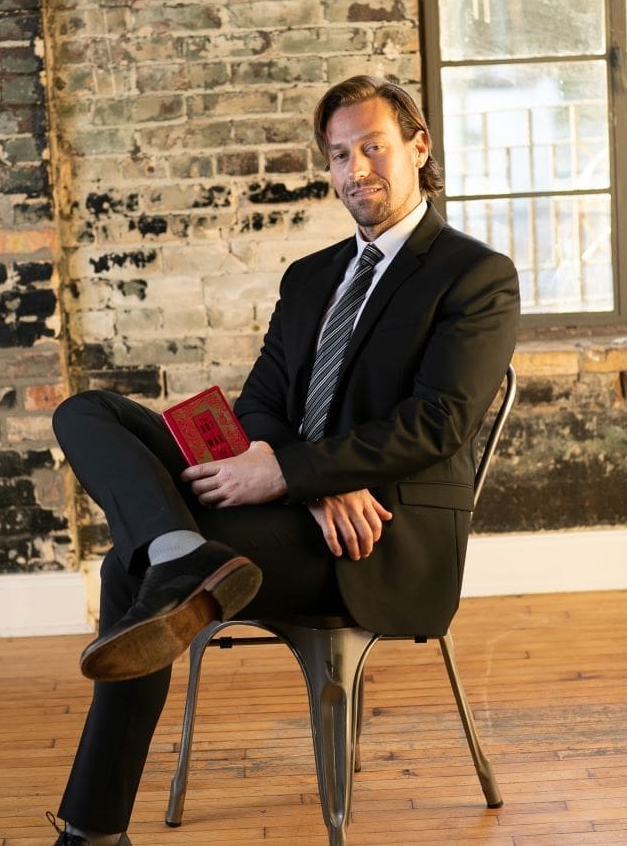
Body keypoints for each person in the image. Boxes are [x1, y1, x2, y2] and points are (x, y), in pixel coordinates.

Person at [47, 75, 520, 844]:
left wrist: (292, 474)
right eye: (339, 154)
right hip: (295, 501)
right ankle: (179, 553)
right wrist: (298, 482)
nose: (356, 169)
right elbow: (259, 403)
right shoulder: (309, 277)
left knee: (122, 567)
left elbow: (439, 423)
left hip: (377, 535)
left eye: (373, 146)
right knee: (87, 412)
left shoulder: (474, 275)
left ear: (418, 146)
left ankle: (91, 833)